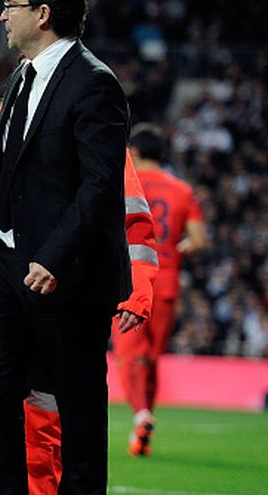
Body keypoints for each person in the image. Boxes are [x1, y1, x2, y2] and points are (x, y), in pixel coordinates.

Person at [0, 0, 131, 492]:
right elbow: (2, 163)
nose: (2, 16)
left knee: (78, 404)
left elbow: (99, 185)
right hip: (6, 268)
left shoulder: (95, 83)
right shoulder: (23, 77)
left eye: (10, 5)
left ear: (43, 13)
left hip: (65, 275)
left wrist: (54, 256)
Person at [0, 106, 158, 494]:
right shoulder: (1, 123)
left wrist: (138, 289)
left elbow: (129, 213)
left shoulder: (85, 119)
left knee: (34, 418)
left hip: (54, 293)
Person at [111, 123, 209, 457]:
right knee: (151, 360)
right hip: (166, 282)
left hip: (128, 278)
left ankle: (141, 414)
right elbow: (198, 240)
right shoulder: (183, 190)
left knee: (129, 355)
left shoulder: (124, 183)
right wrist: (170, 252)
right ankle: (143, 431)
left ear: (134, 152)